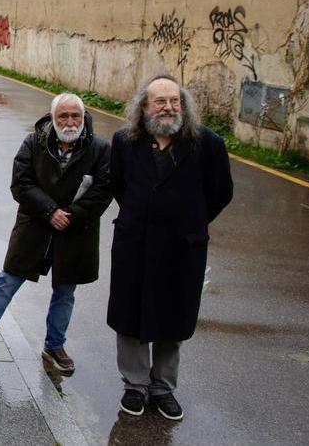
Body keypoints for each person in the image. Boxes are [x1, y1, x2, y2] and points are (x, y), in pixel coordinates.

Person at [108, 75, 232, 421]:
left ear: (184, 105)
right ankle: (135, 385)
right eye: (160, 101)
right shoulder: (125, 141)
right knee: (130, 314)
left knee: (173, 316)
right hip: (135, 242)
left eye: (175, 101)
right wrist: (144, 216)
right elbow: (119, 185)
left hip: (182, 247)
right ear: (144, 107)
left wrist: (188, 221)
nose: (168, 107)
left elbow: (220, 193)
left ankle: (162, 387)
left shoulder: (207, 144)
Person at [0, 93, 111, 374]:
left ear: (83, 117)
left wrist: (73, 215)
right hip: (35, 225)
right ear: (52, 118)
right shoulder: (35, 142)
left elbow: (104, 191)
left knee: (65, 291)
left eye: (75, 115)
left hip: (76, 231)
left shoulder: (100, 149)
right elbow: (20, 183)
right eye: (63, 116)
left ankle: (54, 345)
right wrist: (50, 211)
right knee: (9, 279)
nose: (69, 121)